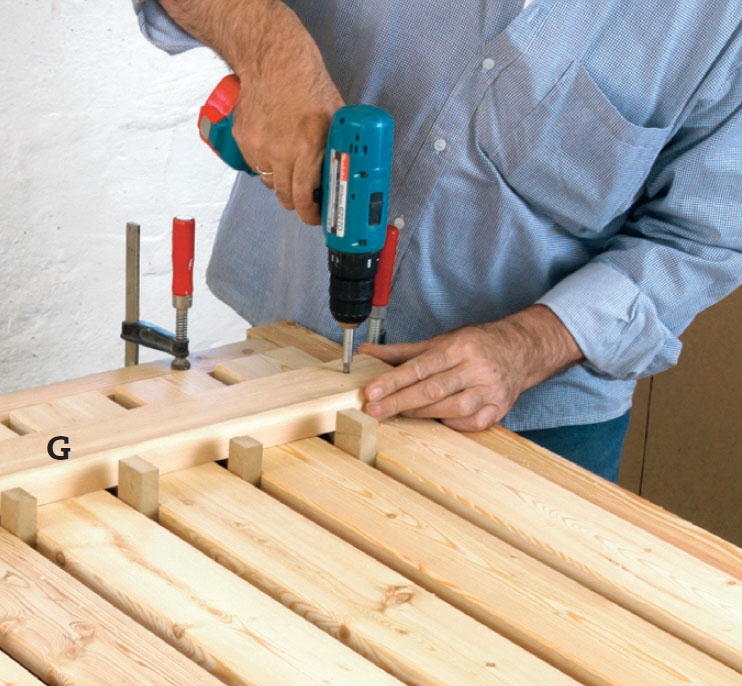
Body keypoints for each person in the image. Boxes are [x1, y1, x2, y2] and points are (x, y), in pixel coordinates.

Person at [133, 0, 742, 481]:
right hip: (292, 359)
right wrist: (269, 48)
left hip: (535, 422)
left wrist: (529, 345)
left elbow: (704, 240)